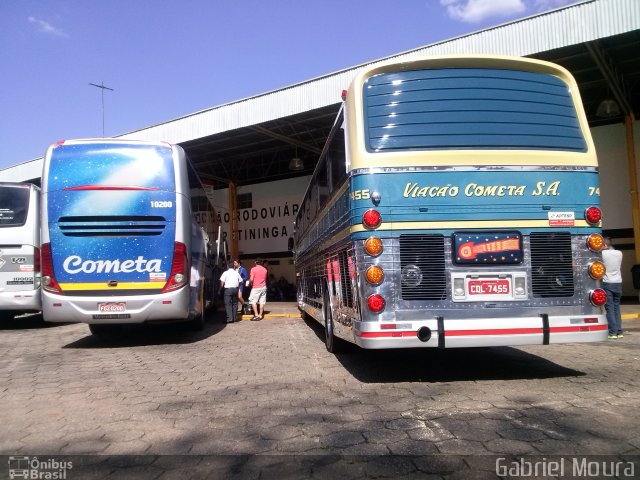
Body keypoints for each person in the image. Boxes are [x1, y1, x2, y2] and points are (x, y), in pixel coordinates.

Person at [601, 237, 623, 339]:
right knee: (616, 307)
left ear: (604, 245)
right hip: (618, 282)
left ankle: (612, 332)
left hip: (607, 283)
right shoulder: (619, 253)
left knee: (609, 308)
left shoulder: (602, 254)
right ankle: (619, 331)